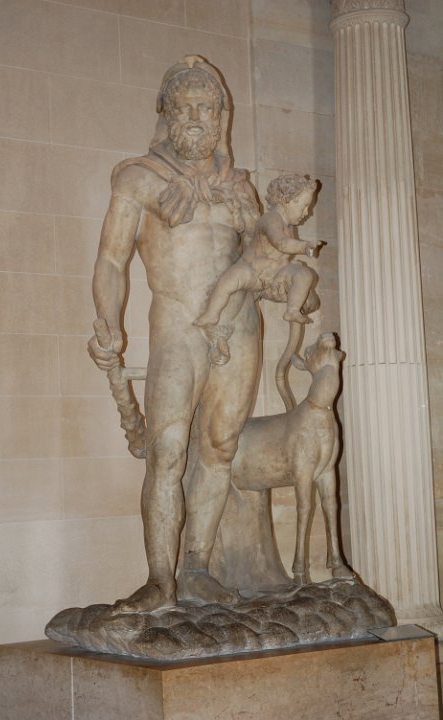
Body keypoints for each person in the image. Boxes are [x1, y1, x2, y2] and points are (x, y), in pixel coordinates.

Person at [88, 56, 261, 612]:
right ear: (165, 112)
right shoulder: (138, 178)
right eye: (184, 107)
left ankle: (197, 569)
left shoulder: (238, 186)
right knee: (166, 450)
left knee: (221, 445)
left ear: (220, 117)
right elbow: (112, 259)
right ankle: (160, 579)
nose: (195, 117)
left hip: (239, 326)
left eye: (206, 108)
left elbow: (260, 256)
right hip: (177, 324)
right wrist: (109, 322)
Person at [195, 173, 322, 365]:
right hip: (252, 271)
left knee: (305, 273)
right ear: (287, 200)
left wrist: (290, 272)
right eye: (303, 206)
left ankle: (293, 309)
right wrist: (304, 247)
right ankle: (211, 313)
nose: (307, 213)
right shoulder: (270, 219)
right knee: (229, 280)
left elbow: (281, 255)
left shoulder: (289, 226)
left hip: (275, 275)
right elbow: (281, 243)